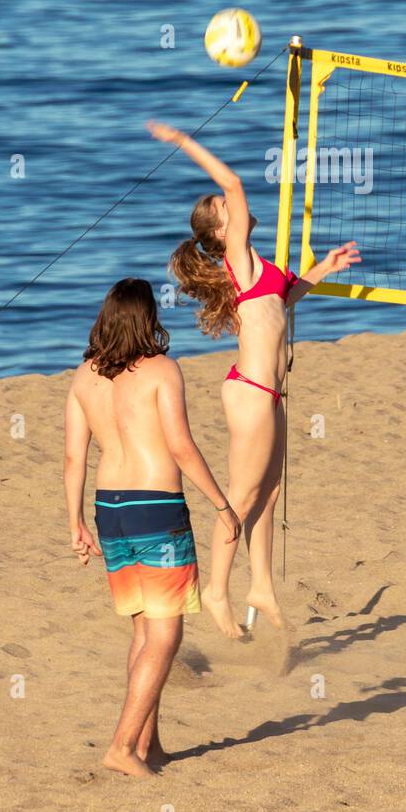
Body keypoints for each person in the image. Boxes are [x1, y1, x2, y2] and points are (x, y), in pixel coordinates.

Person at [147, 121, 360, 638]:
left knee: (268, 490)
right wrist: (184, 143)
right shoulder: (237, 259)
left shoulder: (260, 270)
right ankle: (216, 590)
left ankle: (260, 584)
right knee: (240, 499)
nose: (232, 203)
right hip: (249, 393)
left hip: (270, 392)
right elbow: (235, 184)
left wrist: (322, 269)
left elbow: (282, 303)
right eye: (224, 209)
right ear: (222, 232)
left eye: (227, 204)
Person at [63, 277, 240, 778]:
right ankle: (121, 746)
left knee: (144, 628)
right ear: (149, 319)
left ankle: (149, 744)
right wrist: (223, 505)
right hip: (156, 506)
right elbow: (181, 446)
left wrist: (74, 522)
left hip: (109, 508)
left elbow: (74, 456)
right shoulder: (163, 370)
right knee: (165, 636)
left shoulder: (84, 377)